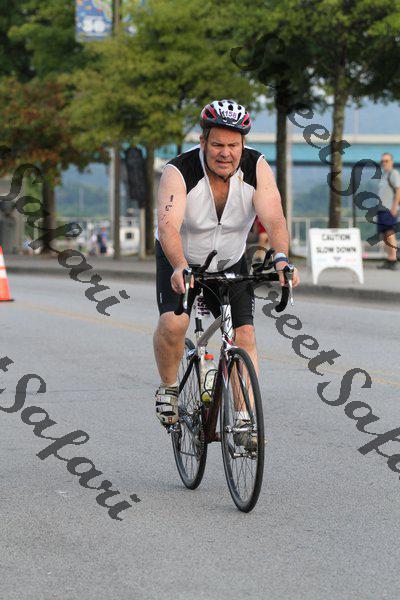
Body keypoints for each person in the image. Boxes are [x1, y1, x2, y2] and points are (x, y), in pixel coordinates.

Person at [153, 99, 300, 438]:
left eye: (233, 145)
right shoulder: (179, 171)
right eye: (217, 144)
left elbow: (275, 218)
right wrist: (179, 266)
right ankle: (169, 387)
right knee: (175, 323)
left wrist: (281, 258)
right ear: (203, 141)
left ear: (243, 144)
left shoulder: (256, 167)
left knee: (244, 336)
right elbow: (168, 226)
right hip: (181, 259)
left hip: (231, 260)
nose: (226, 153)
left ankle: (245, 419)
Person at [377, 152, 400, 270]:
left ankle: (393, 259)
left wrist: (394, 207)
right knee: (384, 235)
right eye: (382, 161)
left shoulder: (393, 173)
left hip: (389, 209)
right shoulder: (384, 175)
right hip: (381, 209)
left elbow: (398, 190)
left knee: (390, 234)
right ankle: (389, 259)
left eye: (386, 160)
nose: (384, 163)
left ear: (391, 162)